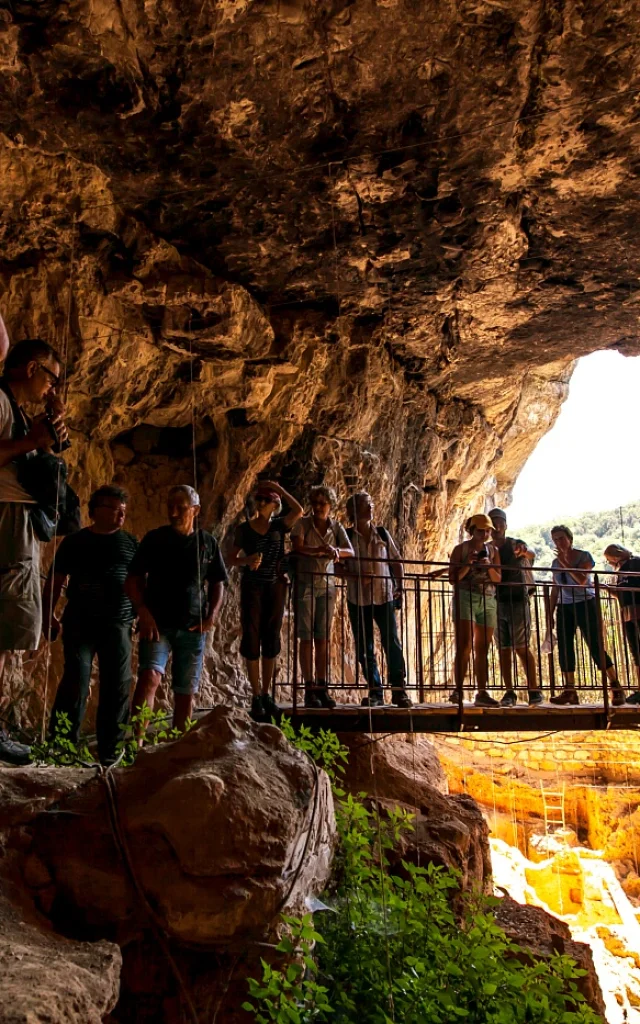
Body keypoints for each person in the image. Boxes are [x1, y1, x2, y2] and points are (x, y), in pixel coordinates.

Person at [0, 338, 67, 766]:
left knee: (8, 637)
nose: (51, 388)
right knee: (4, 633)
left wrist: (45, 436)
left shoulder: (16, 410)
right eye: (52, 378)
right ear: (31, 369)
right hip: (5, 520)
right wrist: (33, 441)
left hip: (14, 522)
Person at [43, 486, 138, 765]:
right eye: (113, 508)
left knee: (117, 686)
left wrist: (143, 612)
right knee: (75, 682)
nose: (121, 513)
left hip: (118, 623)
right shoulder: (74, 542)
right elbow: (56, 580)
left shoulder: (131, 543)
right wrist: (49, 614)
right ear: (95, 510)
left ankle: (111, 752)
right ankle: (61, 748)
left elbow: (141, 582)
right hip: (80, 622)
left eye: (123, 509)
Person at [127, 485, 227, 734]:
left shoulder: (206, 543)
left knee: (186, 692)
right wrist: (143, 611)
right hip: (157, 624)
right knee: (149, 677)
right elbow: (132, 580)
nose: (173, 512)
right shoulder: (155, 539)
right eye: (169, 506)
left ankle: (178, 747)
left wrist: (211, 616)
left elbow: (218, 582)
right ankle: (134, 746)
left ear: (195, 510)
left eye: (180, 508)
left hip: (193, 626)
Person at [229, 480, 303, 721]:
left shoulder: (280, 527)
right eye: (259, 499)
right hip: (252, 588)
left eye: (266, 500)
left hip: (275, 587)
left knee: (271, 636)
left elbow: (299, 510)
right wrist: (247, 560)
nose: (261, 503)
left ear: (275, 504)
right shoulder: (244, 529)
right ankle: (255, 695)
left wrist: (280, 489)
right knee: (252, 637)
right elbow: (231, 559)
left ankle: (266, 692)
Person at [344, 492, 412, 708]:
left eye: (370, 503)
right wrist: (356, 577)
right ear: (354, 510)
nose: (371, 507)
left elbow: (396, 560)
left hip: (384, 594)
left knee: (391, 642)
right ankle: (375, 692)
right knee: (365, 647)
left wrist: (400, 586)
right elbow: (337, 566)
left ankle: (399, 690)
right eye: (366, 504)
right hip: (359, 597)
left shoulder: (381, 533)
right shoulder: (346, 536)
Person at [291, 485, 354, 708]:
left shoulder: (335, 527)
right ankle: (309, 688)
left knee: (323, 638)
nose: (318, 507)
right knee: (307, 638)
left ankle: (322, 686)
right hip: (305, 584)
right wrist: (318, 551)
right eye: (315, 502)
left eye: (322, 503)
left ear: (330, 505)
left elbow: (350, 550)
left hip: (327, 586)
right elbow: (297, 546)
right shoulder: (303, 524)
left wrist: (336, 551)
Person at [549, 525, 625, 706]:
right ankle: (569, 690)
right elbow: (555, 587)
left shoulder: (584, 556)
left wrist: (565, 563)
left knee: (595, 644)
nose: (559, 542)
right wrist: (549, 612)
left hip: (585, 603)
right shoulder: (554, 564)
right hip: (565, 606)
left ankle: (615, 685)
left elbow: (582, 580)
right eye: (555, 539)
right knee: (565, 647)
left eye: (561, 538)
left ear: (570, 538)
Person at [488, 508, 542, 706]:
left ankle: (534, 690)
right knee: (503, 648)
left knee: (521, 647)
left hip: (517, 600)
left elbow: (531, 554)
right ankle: (510, 692)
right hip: (496, 601)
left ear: (505, 525)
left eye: (499, 521)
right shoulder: (487, 548)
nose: (496, 525)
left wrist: (523, 550)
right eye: (493, 522)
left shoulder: (515, 544)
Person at [449, 514, 502, 707]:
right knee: (464, 646)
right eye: (481, 530)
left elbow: (497, 579)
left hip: (488, 599)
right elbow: (453, 578)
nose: (485, 534)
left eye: (487, 530)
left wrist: (488, 567)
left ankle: (482, 692)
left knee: (483, 648)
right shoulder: (460, 550)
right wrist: (468, 564)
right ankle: (458, 690)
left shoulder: (493, 551)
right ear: (472, 531)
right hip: (465, 597)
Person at [604, 543, 640, 702]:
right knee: (636, 653)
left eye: (609, 560)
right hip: (627, 613)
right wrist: (608, 589)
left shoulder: (635, 563)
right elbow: (621, 594)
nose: (610, 564)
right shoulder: (620, 572)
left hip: (637, 610)